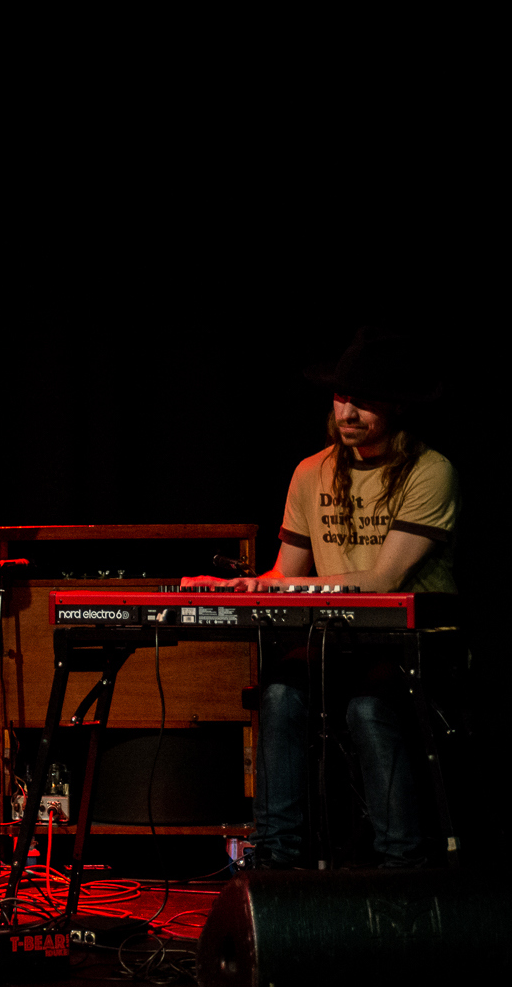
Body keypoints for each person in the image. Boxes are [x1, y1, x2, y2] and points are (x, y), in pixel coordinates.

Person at [184, 327, 457, 869]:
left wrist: (274, 586)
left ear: (398, 405)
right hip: (340, 639)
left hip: (418, 641)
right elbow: (286, 574)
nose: (347, 412)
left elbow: (383, 581)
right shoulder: (311, 472)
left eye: (364, 400)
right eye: (341, 397)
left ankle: (400, 866)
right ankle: (275, 857)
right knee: (280, 694)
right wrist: (237, 588)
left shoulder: (431, 471)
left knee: (368, 707)